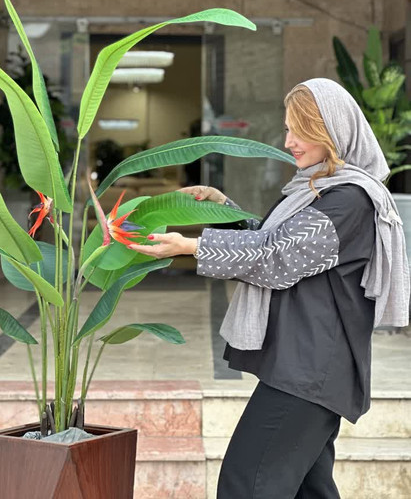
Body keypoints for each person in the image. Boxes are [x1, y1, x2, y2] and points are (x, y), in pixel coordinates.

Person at [129, 78, 409, 499]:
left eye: (301, 131)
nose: (289, 142)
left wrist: (193, 246)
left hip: (311, 370)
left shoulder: (349, 200)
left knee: (246, 484)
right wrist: (223, 209)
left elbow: (277, 258)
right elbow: (278, 241)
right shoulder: (320, 190)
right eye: (287, 129)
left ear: (333, 133)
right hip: (308, 367)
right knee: (309, 490)